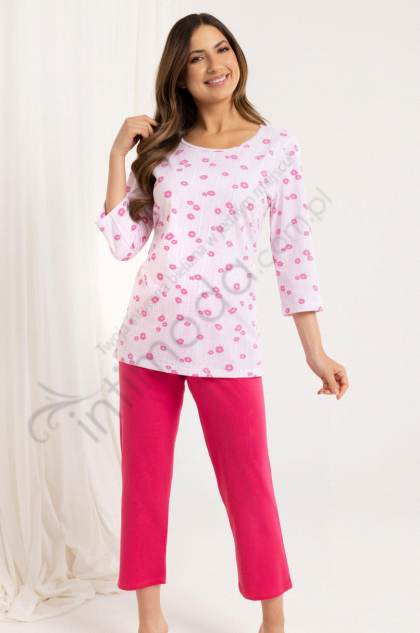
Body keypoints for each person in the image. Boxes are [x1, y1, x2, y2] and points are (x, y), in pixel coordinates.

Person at [94, 12, 348, 633]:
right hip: (147, 342)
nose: (215, 65)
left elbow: (293, 251)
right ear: (179, 75)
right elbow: (124, 243)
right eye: (197, 57)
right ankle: (150, 619)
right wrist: (118, 156)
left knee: (249, 485)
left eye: (222, 49)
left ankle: (273, 621)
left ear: (236, 56)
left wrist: (315, 351)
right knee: (144, 487)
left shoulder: (275, 148)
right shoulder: (164, 150)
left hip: (227, 345)